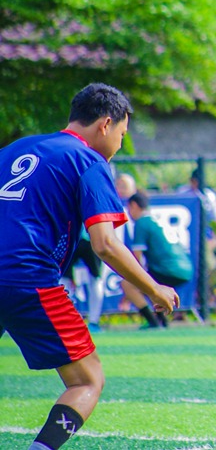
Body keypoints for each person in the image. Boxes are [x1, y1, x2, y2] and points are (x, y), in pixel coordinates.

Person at [0, 83, 179, 450]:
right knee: (87, 381)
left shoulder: (13, 149)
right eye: (122, 134)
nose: (120, 144)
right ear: (106, 124)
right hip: (27, 278)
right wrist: (153, 288)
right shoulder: (88, 161)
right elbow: (105, 244)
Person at [121, 191, 194, 329]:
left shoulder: (142, 222)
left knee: (128, 283)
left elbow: (136, 259)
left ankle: (153, 322)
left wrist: (128, 291)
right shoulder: (156, 219)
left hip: (168, 269)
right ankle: (163, 321)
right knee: (148, 284)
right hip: (185, 268)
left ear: (134, 205)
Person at [61, 227, 105, 334]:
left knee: (95, 279)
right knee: (65, 278)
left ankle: (91, 322)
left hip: (81, 235)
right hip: (78, 235)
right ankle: (68, 321)